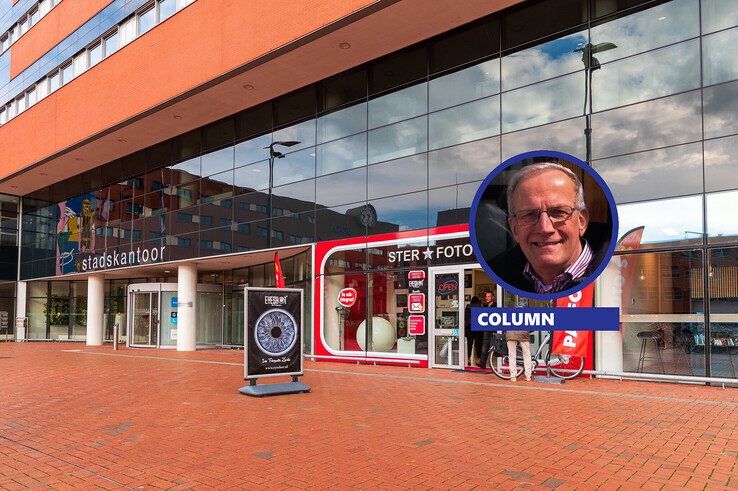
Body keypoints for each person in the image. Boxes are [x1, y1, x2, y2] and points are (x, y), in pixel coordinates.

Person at [488, 162, 610, 295]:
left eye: (558, 212)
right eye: (529, 214)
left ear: (582, 221)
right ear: (514, 228)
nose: (545, 228)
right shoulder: (498, 275)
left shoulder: (613, 275)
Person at [477, 290, 496, 368]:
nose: (487, 298)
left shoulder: (496, 306)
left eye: (489, 296)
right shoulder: (484, 306)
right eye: (486, 296)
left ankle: (499, 364)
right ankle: (482, 363)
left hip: (494, 329)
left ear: (493, 297)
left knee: (496, 346)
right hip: (486, 329)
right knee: (485, 346)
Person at [464, 296, 482, 366]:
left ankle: (468, 359)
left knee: (469, 344)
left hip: (469, 329)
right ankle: (478, 360)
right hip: (478, 329)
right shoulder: (480, 307)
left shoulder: (467, 307)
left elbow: (466, 318)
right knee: (478, 345)